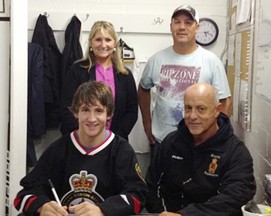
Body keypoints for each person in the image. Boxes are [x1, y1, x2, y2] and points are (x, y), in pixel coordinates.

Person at [14, 81, 147, 216]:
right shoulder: (58, 150)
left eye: (99, 111)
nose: (92, 118)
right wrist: (41, 206)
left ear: (109, 114)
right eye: (85, 110)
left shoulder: (122, 151)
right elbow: (23, 195)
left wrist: (104, 210)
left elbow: (138, 196)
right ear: (75, 112)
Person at [145, 82, 256, 216]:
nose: (192, 116)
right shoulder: (171, 143)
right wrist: (162, 212)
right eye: (188, 108)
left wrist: (185, 215)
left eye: (201, 109)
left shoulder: (235, 152)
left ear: (217, 110)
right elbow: (150, 186)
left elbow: (233, 198)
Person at [138, 5, 232, 147]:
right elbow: (143, 89)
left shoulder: (212, 62)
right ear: (171, 27)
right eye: (177, 22)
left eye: (188, 22)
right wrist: (147, 123)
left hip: (200, 144)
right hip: (163, 142)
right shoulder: (156, 60)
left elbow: (225, 102)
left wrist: (215, 137)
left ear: (197, 27)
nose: (182, 27)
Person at [60, 21, 138, 140]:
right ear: (91, 43)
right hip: (82, 141)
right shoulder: (77, 71)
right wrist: (83, 136)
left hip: (115, 141)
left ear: (114, 44)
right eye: (98, 40)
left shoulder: (125, 75)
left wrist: (114, 138)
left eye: (108, 40)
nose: (103, 44)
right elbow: (66, 107)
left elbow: (132, 111)